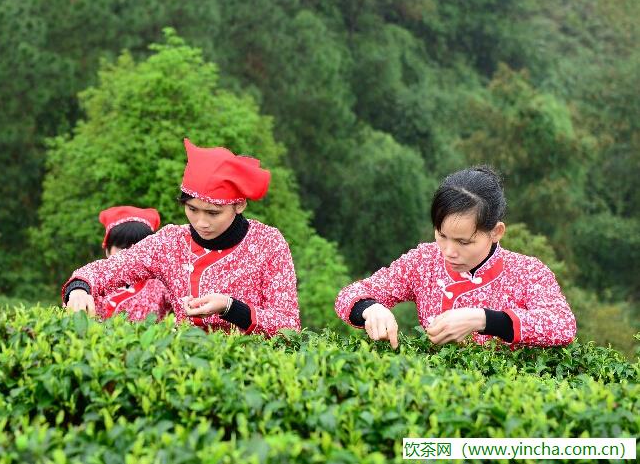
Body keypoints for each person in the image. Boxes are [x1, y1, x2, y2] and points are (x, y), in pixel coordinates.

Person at [63, 138, 301, 336]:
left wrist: (230, 307)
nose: (201, 223)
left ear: (239, 205)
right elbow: (110, 269)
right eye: (192, 210)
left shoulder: (268, 243)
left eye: (213, 213)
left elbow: (288, 326)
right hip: (183, 367)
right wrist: (79, 287)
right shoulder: (170, 242)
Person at [335, 166, 576, 348]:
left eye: (464, 242)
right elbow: (349, 295)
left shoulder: (527, 272)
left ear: (495, 232)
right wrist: (372, 309)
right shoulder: (424, 261)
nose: (449, 251)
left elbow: (562, 325)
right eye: (442, 236)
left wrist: (484, 319)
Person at [94, 205, 173, 321]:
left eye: (139, 248)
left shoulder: (163, 283)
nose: (131, 255)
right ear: (107, 250)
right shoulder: (93, 283)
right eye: (122, 247)